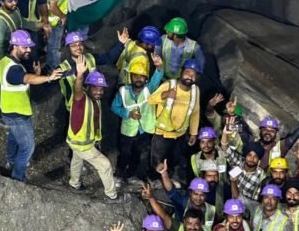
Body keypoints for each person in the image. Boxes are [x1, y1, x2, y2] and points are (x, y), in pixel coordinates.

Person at [0, 30, 62, 182]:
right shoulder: (13, 69)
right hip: (17, 113)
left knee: (14, 138)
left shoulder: (6, 62)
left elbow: (24, 78)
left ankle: (11, 162)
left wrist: (36, 73)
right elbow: (27, 79)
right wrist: (47, 77)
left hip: (10, 110)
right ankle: (18, 177)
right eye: (25, 47)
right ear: (15, 46)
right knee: (27, 147)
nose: (29, 50)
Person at [67, 57, 119, 203]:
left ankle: (74, 183)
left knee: (77, 160)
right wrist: (79, 76)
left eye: (101, 88)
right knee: (105, 165)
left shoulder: (95, 100)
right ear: (87, 86)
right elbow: (77, 89)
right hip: (81, 143)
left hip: (76, 142)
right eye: (95, 88)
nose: (99, 91)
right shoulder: (81, 99)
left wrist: (97, 140)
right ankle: (111, 196)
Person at [111, 54, 164, 187]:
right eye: (135, 76)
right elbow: (114, 107)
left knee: (137, 154)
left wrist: (159, 66)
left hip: (144, 130)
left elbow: (157, 77)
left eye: (141, 76)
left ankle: (130, 176)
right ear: (131, 77)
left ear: (146, 78)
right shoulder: (123, 91)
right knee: (124, 154)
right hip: (127, 131)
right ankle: (118, 175)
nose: (138, 79)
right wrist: (127, 113)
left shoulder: (149, 90)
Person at [148, 59, 201, 184]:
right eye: (188, 72)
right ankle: (154, 180)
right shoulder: (169, 85)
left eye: (194, 75)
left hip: (180, 134)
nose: (190, 77)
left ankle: (168, 179)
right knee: (158, 159)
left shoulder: (195, 91)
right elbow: (150, 100)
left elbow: (195, 112)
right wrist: (164, 95)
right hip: (162, 133)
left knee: (173, 158)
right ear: (182, 73)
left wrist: (193, 133)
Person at [57, 28, 129, 107]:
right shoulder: (63, 69)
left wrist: (121, 43)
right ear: (68, 48)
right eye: (73, 45)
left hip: (92, 99)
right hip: (75, 107)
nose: (78, 47)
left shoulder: (89, 57)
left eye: (80, 44)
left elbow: (108, 58)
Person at [151, 162, 218, 231]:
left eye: (202, 195)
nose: (198, 198)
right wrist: (164, 173)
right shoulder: (182, 202)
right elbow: (171, 190)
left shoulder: (212, 210)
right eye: (195, 194)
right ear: (190, 193)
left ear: (206, 195)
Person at [255, 104, 299, 170]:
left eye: (272, 131)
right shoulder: (252, 145)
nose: (268, 133)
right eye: (265, 130)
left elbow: (294, 136)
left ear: (276, 133)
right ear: (260, 131)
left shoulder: (280, 147)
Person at [223, 135, 266, 203]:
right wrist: (225, 133)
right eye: (249, 155)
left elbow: (239, 198)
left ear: (259, 160)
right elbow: (225, 149)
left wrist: (233, 182)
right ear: (245, 156)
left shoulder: (261, 177)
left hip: (244, 208)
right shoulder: (238, 163)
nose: (252, 159)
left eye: (255, 156)